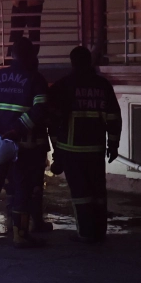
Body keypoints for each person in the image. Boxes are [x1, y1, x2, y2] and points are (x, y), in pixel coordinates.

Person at [0, 33, 50, 247]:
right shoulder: (36, 79)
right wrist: (17, 130)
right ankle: (19, 235)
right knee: (21, 188)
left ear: (12, 54)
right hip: (23, 147)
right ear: (30, 55)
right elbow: (40, 109)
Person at [46, 45, 122, 243]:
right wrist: (113, 145)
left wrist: (57, 152)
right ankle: (99, 231)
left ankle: (86, 233)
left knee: (81, 193)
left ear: (72, 62)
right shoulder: (103, 85)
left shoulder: (63, 85)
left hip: (71, 149)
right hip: (96, 148)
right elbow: (114, 117)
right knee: (98, 191)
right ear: (89, 62)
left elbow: (53, 121)